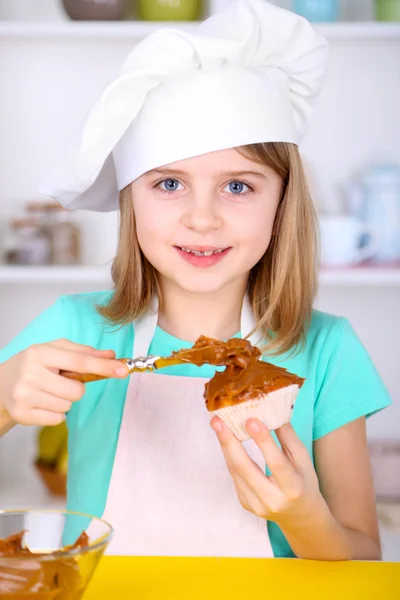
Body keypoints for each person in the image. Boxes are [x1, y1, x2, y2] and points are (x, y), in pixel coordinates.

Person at [0, 0, 392, 560]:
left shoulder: (329, 351)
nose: (202, 218)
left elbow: (363, 559)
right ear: (130, 199)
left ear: (283, 202)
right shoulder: (78, 329)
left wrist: (303, 517)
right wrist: (6, 397)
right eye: (168, 184)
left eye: (238, 186)